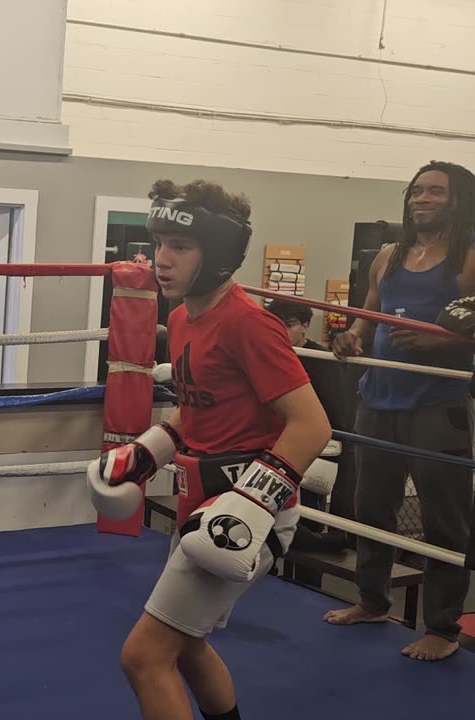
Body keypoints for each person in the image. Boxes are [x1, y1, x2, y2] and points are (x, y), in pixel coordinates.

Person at [88, 179, 333, 720]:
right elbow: (194, 410)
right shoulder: (180, 319)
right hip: (198, 506)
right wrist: (148, 452)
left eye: (180, 247)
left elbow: (312, 425)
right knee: (189, 646)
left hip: (248, 515)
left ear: (217, 253)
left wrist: (249, 503)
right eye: (159, 245)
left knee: (144, 657)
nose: (162, 260)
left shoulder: (249, 324)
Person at [326, 160, 475, 661]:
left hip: (437, 404)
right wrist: (351, 337)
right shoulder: (387, 256)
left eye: (435, 191)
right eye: (416, 191)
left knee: (444, 521)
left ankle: (443, 629)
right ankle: (371, 601)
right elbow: (369, 316)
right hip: (378, 397)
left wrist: (443, 342)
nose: (422, 198)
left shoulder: (469, 258)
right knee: (371, 508)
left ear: (459, 200)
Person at [265, 299, 351, 550]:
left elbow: (335, 412)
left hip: (311, 444)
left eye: (289, 325)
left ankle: (307, 546)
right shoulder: (272, 355)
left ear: (305, 326)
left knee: (305, 516)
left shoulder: (321, 360)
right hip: (275, 440)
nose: (282, 331)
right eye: (276, 325)